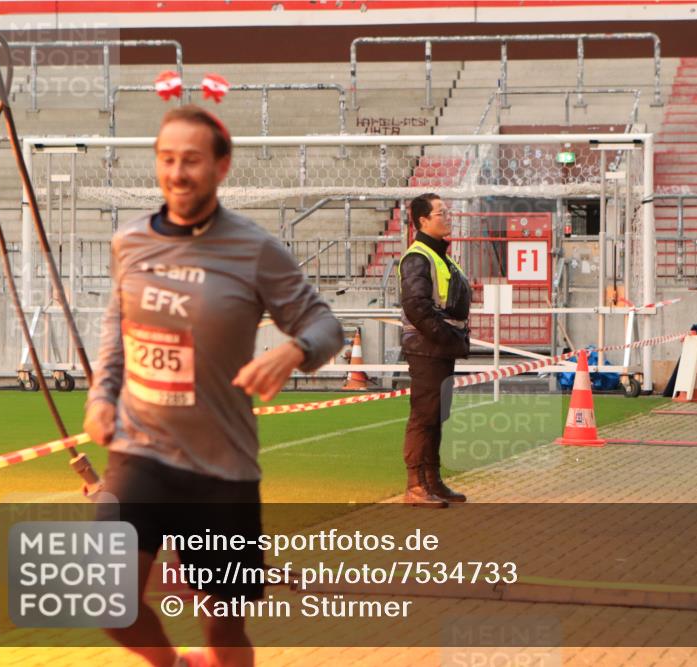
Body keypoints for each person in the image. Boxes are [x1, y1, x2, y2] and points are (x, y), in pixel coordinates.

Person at [83, 105, 343, 667]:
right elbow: (117, 326)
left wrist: (295, 350)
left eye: (192, 160)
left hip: (219, 471)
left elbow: (326, 325)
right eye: (167, 159)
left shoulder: (254, 250)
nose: (177, 173)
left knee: (223, 627)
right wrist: (102, 396)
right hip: (139, 451)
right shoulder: (129, 241)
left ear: (222, 167)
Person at [399, 193, 472, 509]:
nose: (448, 216)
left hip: (439, 347)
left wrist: (451, 338)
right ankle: (416, 485)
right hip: (428, 348)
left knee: (436, 415)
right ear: (423, 221)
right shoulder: (418, 257)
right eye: (441, 212)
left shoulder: (440, 256)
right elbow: (416, 306)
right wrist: (445, 336)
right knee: (424, 416)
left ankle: (432, 481)